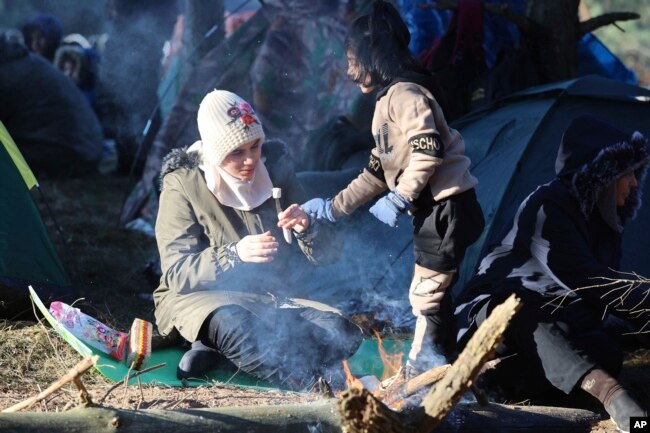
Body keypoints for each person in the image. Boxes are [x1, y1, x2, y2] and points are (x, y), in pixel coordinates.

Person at [302, 0, 484, 375]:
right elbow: (375, 171)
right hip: (435, 211)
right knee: (434, 293)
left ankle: (423, 370)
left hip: (447, 207)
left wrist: (400, 196)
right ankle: (442, 365)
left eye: (352, 58)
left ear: (373, 54)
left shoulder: (406, 95)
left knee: (426, 295)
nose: (350, 69)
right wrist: (332, 207)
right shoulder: (388, 101)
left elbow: (427, 151)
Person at [153, 90, 363, 390]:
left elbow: (327, 255)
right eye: (236, 152)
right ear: (214, 151)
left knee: (342, 332)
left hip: (267, 297)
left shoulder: (275, 169)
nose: (251, 160)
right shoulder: (183, 183)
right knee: (237, 328)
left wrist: (308, 228)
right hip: (202, 299)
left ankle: (220, 353)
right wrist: (234, 253)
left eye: (255, 146)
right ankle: (309, 386)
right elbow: (177, 274)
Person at [454, 115, 649, 432]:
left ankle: (487, 382)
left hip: (549, 327)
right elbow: (600, 286)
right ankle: (612, 395)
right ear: (603, 174)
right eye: (627, 173)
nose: (635, 183)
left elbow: (599, 299)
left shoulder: (604, 224)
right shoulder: (549, 205)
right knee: (519, 303)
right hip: (491, 318)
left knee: (605, 350)